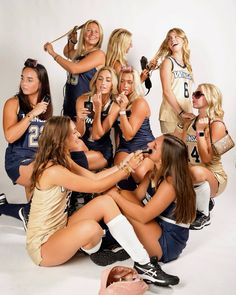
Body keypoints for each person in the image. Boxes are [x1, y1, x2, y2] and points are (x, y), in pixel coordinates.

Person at [26, 115, 179, 287]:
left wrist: (125, 164)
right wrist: (128, 169)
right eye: (74, 132)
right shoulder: (53, 171)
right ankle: (91, 247)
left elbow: (95, 177)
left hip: (60, 228)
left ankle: (144, 264)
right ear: (61, 139)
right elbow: (96, 186)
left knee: (105, 202)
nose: (78, 135)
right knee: (92, 228)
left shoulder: (63, 159)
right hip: (43, 247)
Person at [108, 134, 196, 263]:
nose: (148, 145)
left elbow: (144, 216)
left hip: (167, 243)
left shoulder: (170, 184)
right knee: (123, 195)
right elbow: (135, 197)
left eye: (154, 146)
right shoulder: (152, 173)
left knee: (118, 199)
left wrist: (114, 195)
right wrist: (120, 182)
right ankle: (117, 238)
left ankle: (109, 237)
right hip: (156, 227)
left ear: (164, 158)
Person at [1, 58, 53, 226]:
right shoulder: (13, 103)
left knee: (37, 218)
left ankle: (6, 208)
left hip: (37, 161)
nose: (23, 83)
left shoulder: (46, 106)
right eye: (22, 77)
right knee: (47, 172)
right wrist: (32, 114)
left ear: (41, 83)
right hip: (17, 162)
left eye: (29, 80)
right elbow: (9, 136)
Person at [175, 83, 227, 230]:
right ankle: (202, 200)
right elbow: (179, 146)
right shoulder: (193, 121)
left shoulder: (218, 124)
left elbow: (207, 159)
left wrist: (200, 131)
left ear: (210, 98)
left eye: (198, 94)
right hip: (192, 175)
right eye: (193, 94)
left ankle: (204, 214)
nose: (193, 97)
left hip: (214, 177)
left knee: (195, 171)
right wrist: (182, 124)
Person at [44, 20, 105, 120]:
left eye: (96, 31)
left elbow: (74, 69)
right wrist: (72, 41)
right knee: (67, 134)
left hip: (85, 106)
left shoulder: (99, 55)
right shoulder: (81, 53)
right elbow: (67, 52)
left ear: (100, 36)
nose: (92, 34)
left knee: (80, 135)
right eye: (89, 30)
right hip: (70, 102)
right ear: (83, 33)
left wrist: (53, 53)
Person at [114, 67, 155, 187]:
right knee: (119, 174)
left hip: (143, 146)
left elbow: (128, 135)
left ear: (135, 84)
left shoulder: (139, 102)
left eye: (129, 82)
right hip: (125, 147)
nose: (125, 85)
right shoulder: (118, 100)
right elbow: (118, 132)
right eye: (122, 81)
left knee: (139, 173)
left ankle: (149, 199)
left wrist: (122, 110)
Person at [149, 28, 195, 134]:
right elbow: (167, 91)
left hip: (187, 114)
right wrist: (181, 113)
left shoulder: (188, 66)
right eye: (169, 38)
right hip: (171, 114)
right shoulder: (168, 62)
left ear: (184, 40)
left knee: (186, 149)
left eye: (176, 36)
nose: (172, 39)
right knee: (174, 150)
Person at [75, 66, 120, 170]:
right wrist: (80, 119)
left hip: (101, 150)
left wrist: (98, 109)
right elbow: (79, 133)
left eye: (108, 80)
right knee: (64, 156)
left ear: (112, 84)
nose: (103, 83)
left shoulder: (114, 107)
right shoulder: (82, 100)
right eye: (100, 79)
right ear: (95, 81)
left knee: (76, 161)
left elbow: (96, 135)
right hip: (83, 145)